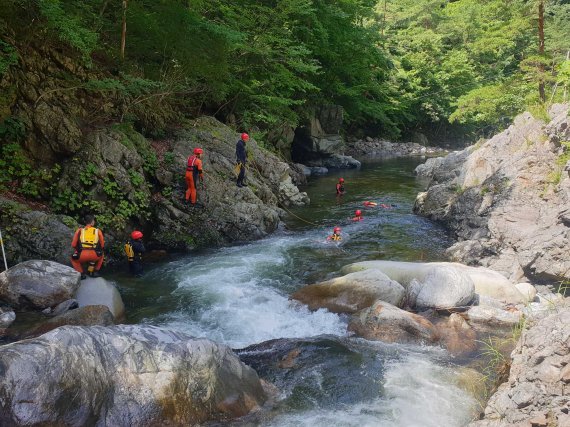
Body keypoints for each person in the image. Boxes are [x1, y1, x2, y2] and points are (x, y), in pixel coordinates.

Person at [71, 215, 105, 279]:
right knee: (101, 255)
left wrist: (78, 249)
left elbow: (73, 245)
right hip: (94, 255)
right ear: (92, 222)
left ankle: (81, 274)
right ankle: (94, 271)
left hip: (82, 255)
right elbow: (102, 245)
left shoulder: (79, 230)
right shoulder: (98, 231)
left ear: (85, 222)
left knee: (73, 259)